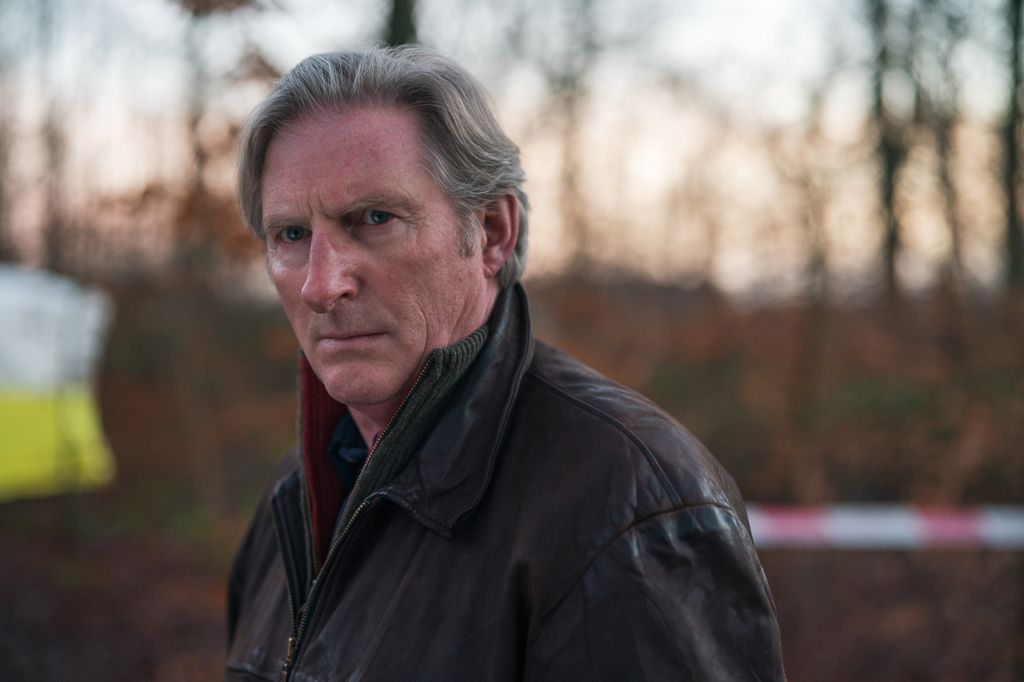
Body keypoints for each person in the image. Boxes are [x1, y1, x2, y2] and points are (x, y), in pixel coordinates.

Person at [226, 45, 785, 681]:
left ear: (492, 232)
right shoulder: (294, 495)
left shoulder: (628, 503)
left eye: (374, 219)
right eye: (291, 236)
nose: (320, 286)